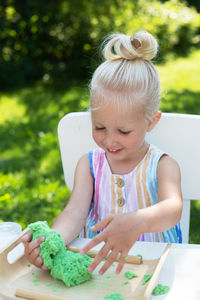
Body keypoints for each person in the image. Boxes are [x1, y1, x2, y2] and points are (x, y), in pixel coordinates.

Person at [21, 30, 183, 275]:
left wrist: (138, 221)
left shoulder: (161, 165)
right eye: (99, 127)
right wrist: (53, 242)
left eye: (124, 131)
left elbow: (173, 208)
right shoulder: (89, 165)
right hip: (98, 269)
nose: (109, 140)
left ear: (151, 122)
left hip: (152, 269)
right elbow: (74, 212)